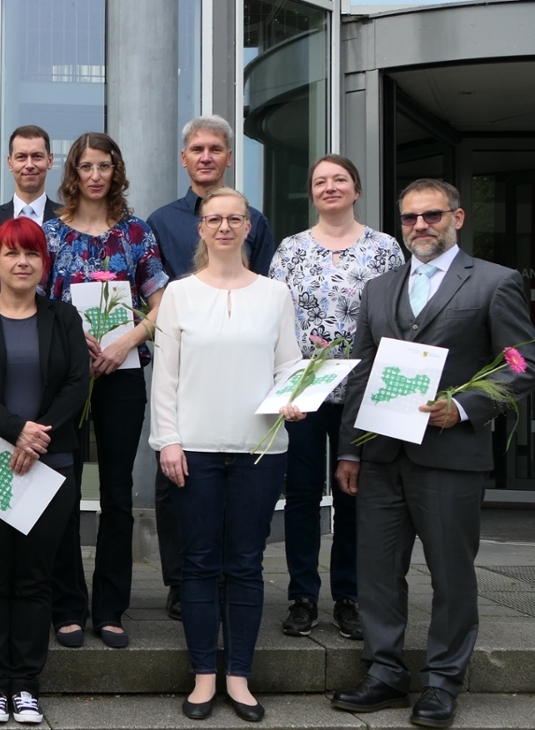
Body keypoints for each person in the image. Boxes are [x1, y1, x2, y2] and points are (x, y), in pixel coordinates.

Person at [331, 179, 535, 729]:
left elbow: (522, 366)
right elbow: (361, 375)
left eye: (431, 216)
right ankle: (384, 672)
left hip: (451, 457)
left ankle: (444, 681)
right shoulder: (378, 288)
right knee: (376, 572)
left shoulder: (495, 282)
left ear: (458, 218)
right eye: (409, 218)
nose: (420, 226)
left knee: (451, 574)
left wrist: (465, 407)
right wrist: (349, 451)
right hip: (381, 456)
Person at [150, 187, 301, 723]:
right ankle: (202, 677)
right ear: (201, 228)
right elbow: (163, 379)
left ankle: (238, 676)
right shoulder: (178, 294)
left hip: (261, 448)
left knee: (245, 563)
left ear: (249, 228)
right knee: (198, 564)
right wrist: (168, 440)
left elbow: (289, 366)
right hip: (193, 448)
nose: (224, 227)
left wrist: (294, 399)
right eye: (214, 218)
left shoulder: (275, 294)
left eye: (234, 218)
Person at [0, 217, 89, 725]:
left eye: (30, 254)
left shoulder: (63, 318)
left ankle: (25, 683)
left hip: (51, 463)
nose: (22, 262)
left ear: (43, 263)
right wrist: (15, 430)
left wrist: (38, 433)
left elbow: (77, 382)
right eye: (11, 253)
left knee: (34, 575)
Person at [268, 155, 405, 641]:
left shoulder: (385, 248)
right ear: (312, 192)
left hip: (363, 392)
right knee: (302, 495)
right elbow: (275, 320)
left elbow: (397, 317)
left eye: (340, 179)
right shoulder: (291, 249)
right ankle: (302, 595)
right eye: (321, 181)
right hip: (303, 394)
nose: (330, 188)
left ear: (356, 189)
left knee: (354, 494)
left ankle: (349, 596)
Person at [146, 114, 275, 621]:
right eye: (196, 149)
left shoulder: (254, 220)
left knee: (235, 478)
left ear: (227, 157)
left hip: (239, 368)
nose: (205, 156)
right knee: (174, 476)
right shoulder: (159, 221)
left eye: (215, 149)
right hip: (183, 363)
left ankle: (228, 575)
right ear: (184, 159)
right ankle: (182, 582)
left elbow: (261, 290)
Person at [44, 132, 168, 649]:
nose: (96, 175)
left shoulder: (136, 233)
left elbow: (164, 303)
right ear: (73, 173)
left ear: (117, 172)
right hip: (67, 377)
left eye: (105, 166)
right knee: (64, 492)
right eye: (87, 166)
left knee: (117, 492)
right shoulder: (50, 235)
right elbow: (34, 304)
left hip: (124, 375)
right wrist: (73, 336)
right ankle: (67, 605)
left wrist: (128, 342)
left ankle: (111, 607)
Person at [0, 125, 60, 278]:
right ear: (10, 163)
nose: (29, 165)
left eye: (37, 156)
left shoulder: (68, 220)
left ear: (50, 161)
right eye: (21, 157)